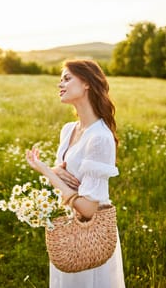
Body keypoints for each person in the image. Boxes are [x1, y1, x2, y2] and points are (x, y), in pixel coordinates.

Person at [26, 59, 125, 288]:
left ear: (87, 83)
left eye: (67, 78)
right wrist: (56, 173)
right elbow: (65, 184)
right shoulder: (68, 129)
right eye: (61, 79)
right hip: (66, 230)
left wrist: (45, 171)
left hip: (91, 235)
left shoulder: (99, 137)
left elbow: (89, 209)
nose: (60, 84)